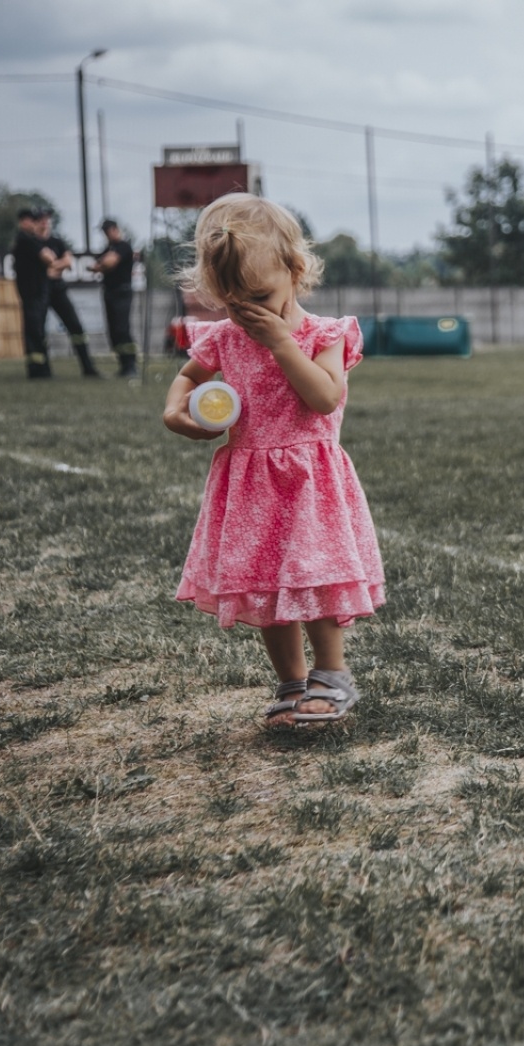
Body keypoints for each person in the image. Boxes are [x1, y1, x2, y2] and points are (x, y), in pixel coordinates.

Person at [162, 193, 385, 728]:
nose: (251, 311)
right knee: (264, 585)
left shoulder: (324, 334)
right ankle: (291, 683)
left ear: (295, 268)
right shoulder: (224, 336)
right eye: (236, 301)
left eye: (261, 295)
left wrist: (283, 343)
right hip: (249, 481)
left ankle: (332, 679)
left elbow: (324, 397)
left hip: (309, 480)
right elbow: (189, 379)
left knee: (314, 578)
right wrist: (177, 412)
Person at [36, 212, 101, 377]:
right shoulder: (33, 242)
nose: (45, 223)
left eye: (47, 220)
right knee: (38, 331)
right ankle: (43, 371)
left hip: (58, 289)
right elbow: (60, 263)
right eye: (41, 220)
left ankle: (88, 367)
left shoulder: (56, 241)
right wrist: (57, 266)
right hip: (40, 290)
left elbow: (67, 261)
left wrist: (52, 268)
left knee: (76, 327)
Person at [89, 218, 138, 377]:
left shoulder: (123, 246)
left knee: (122, 329)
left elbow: (108, 263)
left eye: (107, 230)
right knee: (113, 331)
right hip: (109, 292)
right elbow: (97, 265)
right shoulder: (109, 248)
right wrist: (102, 264)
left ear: (115, 229)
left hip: (121, 292)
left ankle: (131, 365)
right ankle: (123, 365)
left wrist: (102, 264)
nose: (105, 234)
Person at [11, 207, 54, 378]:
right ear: (24, 222)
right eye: (33, 220)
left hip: (32, 292)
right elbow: (49, 258)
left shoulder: (26, 240)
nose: (36, 224)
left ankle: (37, 369)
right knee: (36, 332)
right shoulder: (27, 240)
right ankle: (41, 370)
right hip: (33, 293)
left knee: (34, 332)